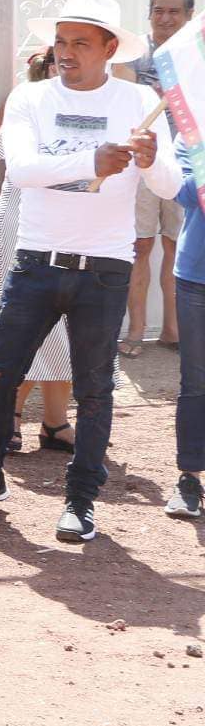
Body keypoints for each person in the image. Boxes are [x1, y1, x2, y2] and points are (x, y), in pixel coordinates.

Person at [0, 0, 179, 542]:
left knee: (95, 389)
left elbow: (169, 186)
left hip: (105, 268)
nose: (66, 52)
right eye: (61, 41)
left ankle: (82, 498)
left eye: (80, 43)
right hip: (35, 260)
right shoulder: (30, 98)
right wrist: (91, 160)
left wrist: (149, 159)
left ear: (110, 48)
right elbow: (21, 168)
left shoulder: (137, 101)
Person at [0, 46, 78, 454]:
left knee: (69, 324)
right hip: (23, 221)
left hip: (76, 226)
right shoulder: (25, 101)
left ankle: (56, 421)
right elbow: (12, 159)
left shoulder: (95, 104)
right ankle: (12, 415)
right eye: (63, 53)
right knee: (21, 319)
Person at [120, 0, 195, 356]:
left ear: (189, 16)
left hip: (189, 162)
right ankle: (135, 331)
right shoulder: (135, 54)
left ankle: (172, 329)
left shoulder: (196, 58)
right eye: (158, 11)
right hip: (146, 161)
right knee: (141, 247)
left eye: (174, 12)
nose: (165, 18)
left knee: (175, 246)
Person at [166, 158, 205, 520]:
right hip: (197, 276)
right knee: (196, 381)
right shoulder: (194, 129)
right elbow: (183, 191)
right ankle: (189, 479)